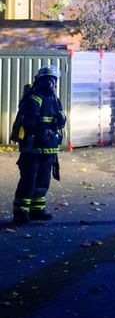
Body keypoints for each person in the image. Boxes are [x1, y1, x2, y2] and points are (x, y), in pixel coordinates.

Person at [11, 65, 66, 224]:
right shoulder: (34, 97)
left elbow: (61, 118)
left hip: (49, 147)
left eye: (52, 80)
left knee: (43, 179)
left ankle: (37, 209)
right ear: (40, 81)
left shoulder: (54, 99)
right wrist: (40, 128)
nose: (50, 83)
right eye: (47, 80)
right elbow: (29, 120)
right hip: (33, 147)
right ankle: (20, 211)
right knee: (29, 178)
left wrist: (60, 120)